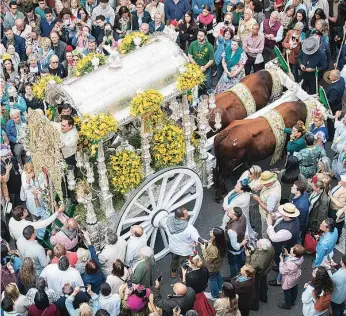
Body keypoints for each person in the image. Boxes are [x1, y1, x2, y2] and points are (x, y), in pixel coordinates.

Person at [267, 203, 300, 283]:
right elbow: (279, 215)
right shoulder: (293, 218)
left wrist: (269, 225)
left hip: (282, 248)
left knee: (282, 263)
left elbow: (274, 238)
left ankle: (279, 280)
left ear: (286, 215)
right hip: (284, 246)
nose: (281, 213)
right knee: (279, 261)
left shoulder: (287, 230)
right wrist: (275, 215)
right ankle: (278, 267)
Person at [165, 207, 200, 278]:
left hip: (173, 248)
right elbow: (198, 240)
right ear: (181, 218)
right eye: (186, 214)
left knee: (174, 260)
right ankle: (183, 276)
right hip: (184, 251)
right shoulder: (190, 229)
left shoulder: (168, 222)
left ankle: (173, 272)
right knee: (184, 264)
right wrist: (195, 244)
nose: (188, 214)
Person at [245, 239, 274, 310]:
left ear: (261, 247)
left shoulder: (258, 260)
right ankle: (264, 298)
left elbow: (249, 268)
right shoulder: (270, 248)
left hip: (258, 273)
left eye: (259, 242)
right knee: (263, 284)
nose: (258, 240)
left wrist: (248, 256)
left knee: (255, 289)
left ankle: (255, 306)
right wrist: (253, 250)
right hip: (266, 270)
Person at [252, 171, 281, 238]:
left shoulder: (273, 195)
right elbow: (261, 184)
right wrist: (260, 186)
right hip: (273, 209)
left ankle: (265, 242)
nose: (263, 184)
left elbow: (269, 209)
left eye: (264, 183)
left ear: (269, 182)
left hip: (267, 215)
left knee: (265, 229)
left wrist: (258, 200)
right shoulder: (274, 180)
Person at [201, 227, 227, 300]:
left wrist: (203, 249)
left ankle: (214, 295)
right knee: (217, 275)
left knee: (212, 279)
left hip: (212, 267)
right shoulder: (220, 242)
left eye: (212, 231)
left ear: (215, 236)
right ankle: (221, 288)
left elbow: (208, 259)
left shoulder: (213, 249)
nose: (210, 231)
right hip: (217, 265)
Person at [278, 244, 305, 309]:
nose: (291, 248)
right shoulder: (301, 257)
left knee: (287, 292)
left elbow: (282, 271)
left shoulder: (290, 264)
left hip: (289, 280)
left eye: (292, 249)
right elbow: (293, 258)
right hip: (295, 277)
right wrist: (288, 255)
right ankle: (292, 301)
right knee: (294, 288)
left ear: (294, 254)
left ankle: (287, 305)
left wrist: (281, 260)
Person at [188, 29, 214, 93]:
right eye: (198, 35)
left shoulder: (209, 46)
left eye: (201, 36)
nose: (199, 37)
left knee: (207, 85)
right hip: (195, 68)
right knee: (195, 85)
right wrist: (196, 65)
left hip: (205, 69)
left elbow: (211, 60)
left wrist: (204, 67)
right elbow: (190, 56)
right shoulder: (193, 44)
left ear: (205, 36)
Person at [225, 207, 247, 277]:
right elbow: (246, 228)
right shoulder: (243, 216)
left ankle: (234, 277)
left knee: (233, 264)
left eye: (230, 212)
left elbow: (236, 246)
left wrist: (242, 243)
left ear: (235, 215)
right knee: (241, 258)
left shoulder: (232, 231)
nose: (228, 212)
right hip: (241, 241)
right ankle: (243, 269)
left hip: (233, 249)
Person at [328, 175, 346, 240]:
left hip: (336, 210)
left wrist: (331, 196)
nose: (340, 181)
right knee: (332, 223)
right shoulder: (341, 185)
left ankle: (336, 239)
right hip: (331, 207)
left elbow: (340, 204)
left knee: (337, 225)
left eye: (342, 180)